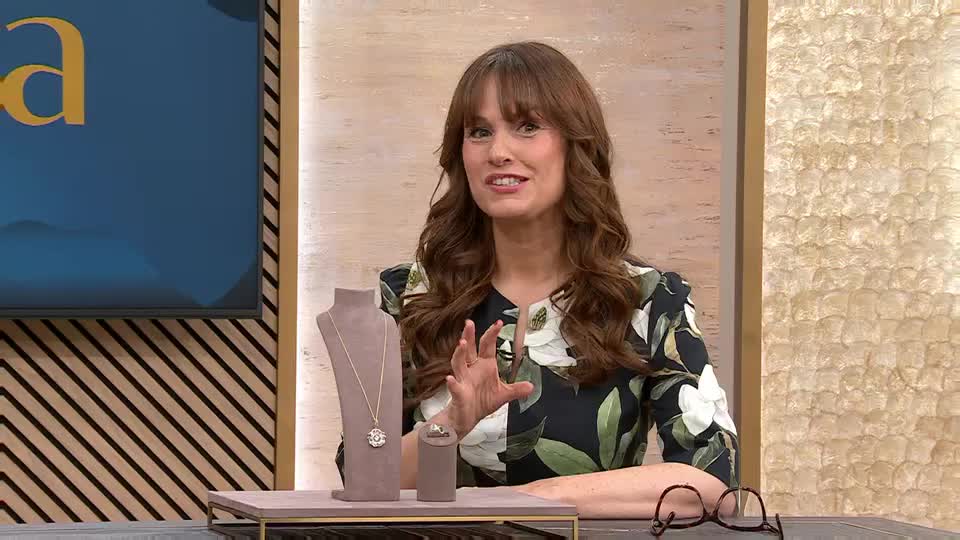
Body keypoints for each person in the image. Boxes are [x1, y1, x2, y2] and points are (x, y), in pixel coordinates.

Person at [336, 41, 739, 519]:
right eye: (479, 132)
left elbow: (712, 480)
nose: (499, 151)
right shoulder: (409, 297)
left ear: (575, 145)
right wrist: (450, 424)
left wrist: (538, 499)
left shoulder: (647, 299)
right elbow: (363, 479)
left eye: (527, 126)